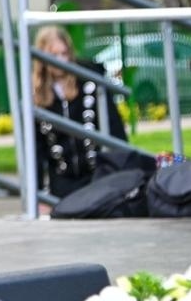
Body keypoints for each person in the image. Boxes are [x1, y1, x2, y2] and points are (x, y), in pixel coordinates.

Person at [32, 26, 127, 200]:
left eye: (64, 53)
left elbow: (115, 129)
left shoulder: (88, 82)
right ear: (42, 58)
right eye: (54, 55)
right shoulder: (37, 96)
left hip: (96, 175)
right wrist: (38, 196)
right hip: (61, 181)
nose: (61, 61)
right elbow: (35, 150)